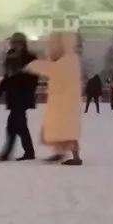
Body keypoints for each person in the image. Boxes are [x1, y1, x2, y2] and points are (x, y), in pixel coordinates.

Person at [25, 30, 83, 165]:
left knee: (68, 129)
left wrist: (35, 65)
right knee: (59, 127)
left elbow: (54, 71)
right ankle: (59, 152)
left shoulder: (69, 59)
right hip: (60, 100)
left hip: (66, 101)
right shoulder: (66, 59)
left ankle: (76, 157)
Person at [0, 32, 38, 161]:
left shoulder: (30, 58)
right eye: (12, 42)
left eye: (15, 42)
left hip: (23, 95)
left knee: (13, 125)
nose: (12, 45)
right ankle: (28, 152)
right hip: (13, 95)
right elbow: (7, 78)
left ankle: (7, 153)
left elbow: (33, 78)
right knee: (20, 125)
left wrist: (22, 81)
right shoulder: (10, 58)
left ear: (22, 43)